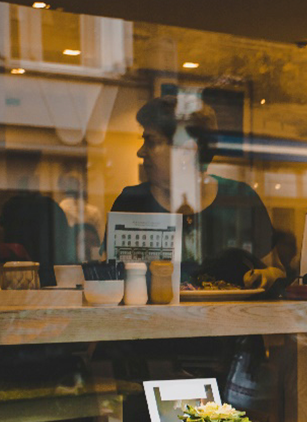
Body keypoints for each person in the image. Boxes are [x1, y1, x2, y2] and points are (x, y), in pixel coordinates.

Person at [111, 96, 282, 290]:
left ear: (186, 151)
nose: (140, 152)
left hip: (231, 318)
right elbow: (108, 276)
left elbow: (276, 271)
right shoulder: (132, 202)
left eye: (151, 142)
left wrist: (263, 277)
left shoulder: (240, 199)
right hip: (152, 320)